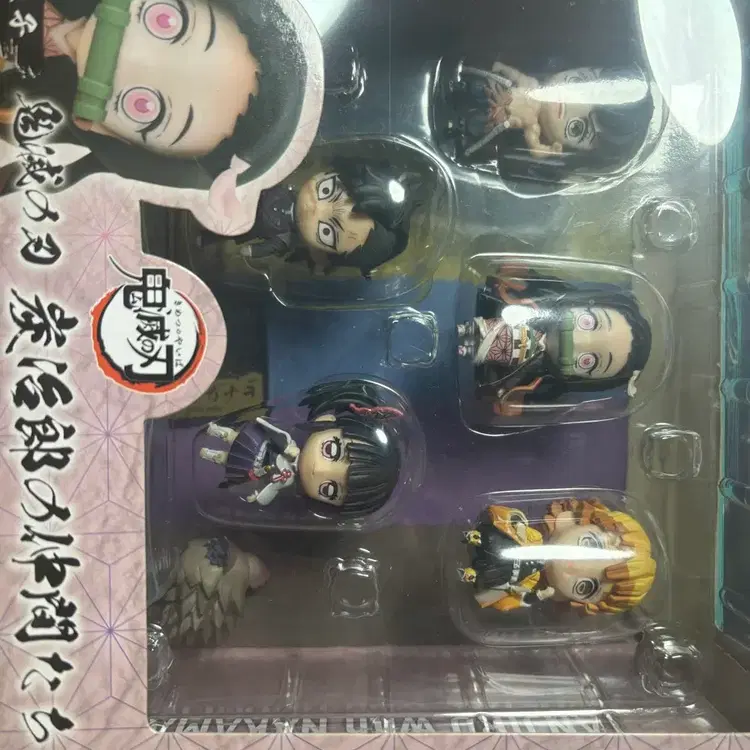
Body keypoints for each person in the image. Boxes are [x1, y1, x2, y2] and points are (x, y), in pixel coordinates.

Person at [0, 0, 308, 192]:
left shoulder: (22, 130)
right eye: (167, 21)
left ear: (107, 132)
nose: (130, 56)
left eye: (145, 107)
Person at [457, 269, 652, 418]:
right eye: (589, 322)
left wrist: (516, 403)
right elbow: (529, 282)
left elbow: (529, 402)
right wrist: (520, 276)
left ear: (582, 379)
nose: (577, 340)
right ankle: (466, 331)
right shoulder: (540, 302)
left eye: (589, 361)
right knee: (481, 324)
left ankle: (469, 349)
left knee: (485, 361)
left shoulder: (542, 381)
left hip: (490, 369)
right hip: (487, 311)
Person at [199, 380, 403, 516]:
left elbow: (269, 490)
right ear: (327, 420)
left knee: (227, 460)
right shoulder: (288, 445)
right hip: (257, 444)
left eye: (329, 489)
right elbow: (275, 433)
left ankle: (209, 454)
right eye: (331, 450)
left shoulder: (286, 480)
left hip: (252, 469)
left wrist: (257, 495)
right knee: (234, 437)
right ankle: (216, 430)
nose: (318, 470)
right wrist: (263, 425)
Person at [198, 159, 423, 278]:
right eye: (327, 190)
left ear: (321, 254)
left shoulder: (284, 237)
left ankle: (208, 236)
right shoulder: (283, 188)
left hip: (242, 225)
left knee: (226, 230)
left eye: (327, 232)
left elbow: (269, 247)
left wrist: (251, 252)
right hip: (232, 188)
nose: (316, 208)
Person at [444, 63, 654, 186]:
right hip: (497, 91)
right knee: (479, 88)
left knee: (480, 124)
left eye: (577, 128)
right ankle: (461, 89)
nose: (571, 105)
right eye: (579, 83)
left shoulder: (533, 126)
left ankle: (461, 125)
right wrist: (501, 67)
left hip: (500, 118)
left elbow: (536, 149)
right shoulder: (531, 84)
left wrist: (549, 152)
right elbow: (515, 75)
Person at [460, 499, 657, 615]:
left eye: (585, 586)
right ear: (570, 520)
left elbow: (505, 600)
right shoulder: (533, 536)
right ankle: (473, 538)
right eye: (589, 544)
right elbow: (502, 516)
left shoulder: (531, 582)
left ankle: (470, 574)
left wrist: (535, 596)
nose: (575, 566)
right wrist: (517, 526)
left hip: (494, 577)